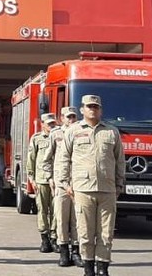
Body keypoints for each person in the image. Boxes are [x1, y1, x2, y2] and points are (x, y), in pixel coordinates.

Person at [56, 95, 125, 276]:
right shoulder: (73, 131)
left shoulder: (111, 132)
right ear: (82, 109)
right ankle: (88, 268)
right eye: (89, 106)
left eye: (96, 106)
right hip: (82, 188)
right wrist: (64, 183)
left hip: (107, 189)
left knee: (106, 232)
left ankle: (102, 267)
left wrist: (119, 183)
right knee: (85, 232)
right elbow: (63, 158)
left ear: (100, 109)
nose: (92, 109)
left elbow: (120, 160)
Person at [52, 106, 83, 267]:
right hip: (61, 182)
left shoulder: (80, 133)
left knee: (77, 219)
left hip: (78, 181)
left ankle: (76, 252)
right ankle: (64, 252)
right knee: (62, 218)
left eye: (73, 117)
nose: (71, 120)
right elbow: (48, 157)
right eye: (68, 117)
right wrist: (50, 178)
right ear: (61, 118)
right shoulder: (56, 134)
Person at [27, 112, 57, 254]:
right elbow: (31, 159)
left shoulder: (59, 137)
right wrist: (31, 178)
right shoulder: (37, 139)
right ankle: (44, 239)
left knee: (56, 211)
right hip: (41, 180)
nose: (52, 126)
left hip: (57, 181)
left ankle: (54, 238)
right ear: (42, 125)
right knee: (43, 211)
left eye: (53, 123)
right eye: (49, 123)